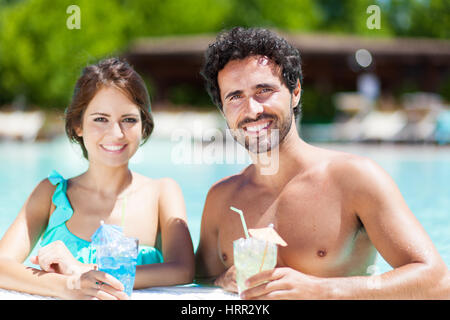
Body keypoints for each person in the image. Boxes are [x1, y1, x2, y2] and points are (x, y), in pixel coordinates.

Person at [194, 27, 449, 299]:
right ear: (223, 109)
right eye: (235, 97)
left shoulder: (355, 178)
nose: (252, 110)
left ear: (295, 93)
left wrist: (322, 289)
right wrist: (222, 279)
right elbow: (200, 281)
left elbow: (438, 282)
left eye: (264, 90)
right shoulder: (221, 199)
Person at [0, 58, 195, 299]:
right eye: (101, 119)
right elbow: (1, 266)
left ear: (144, 126)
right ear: (77, 125)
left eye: (129, 120)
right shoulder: (51, 193)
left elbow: (183, 270)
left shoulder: (162, 193)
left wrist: (83, 271)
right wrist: (69, 285)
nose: (116, 133)